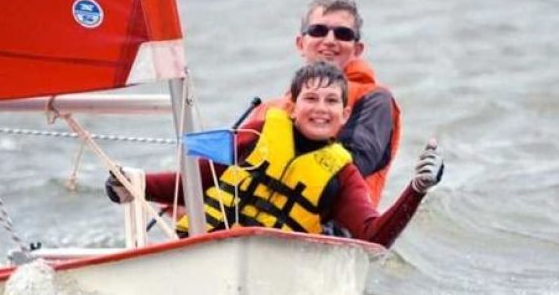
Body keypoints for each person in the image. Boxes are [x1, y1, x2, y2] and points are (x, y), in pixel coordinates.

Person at [106, 62, 441, 248]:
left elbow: (374, 236)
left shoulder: (342, 174)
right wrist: (134, 183)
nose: (320, 108)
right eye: (311, 99)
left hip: (276, 269)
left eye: (331, 101)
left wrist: (417, 189)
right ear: (292, 107)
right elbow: (196, 181)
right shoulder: (257, 133)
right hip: (202, 249)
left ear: (344, 114)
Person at [250, 0, 400, 207]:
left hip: (331, 223)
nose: (329, 41)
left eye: (343, 34)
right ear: (300, 43)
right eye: (318, 31)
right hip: (249, 216)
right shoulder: (267, 109)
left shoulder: (375, 100)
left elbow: (352, 168)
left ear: (357, 49)